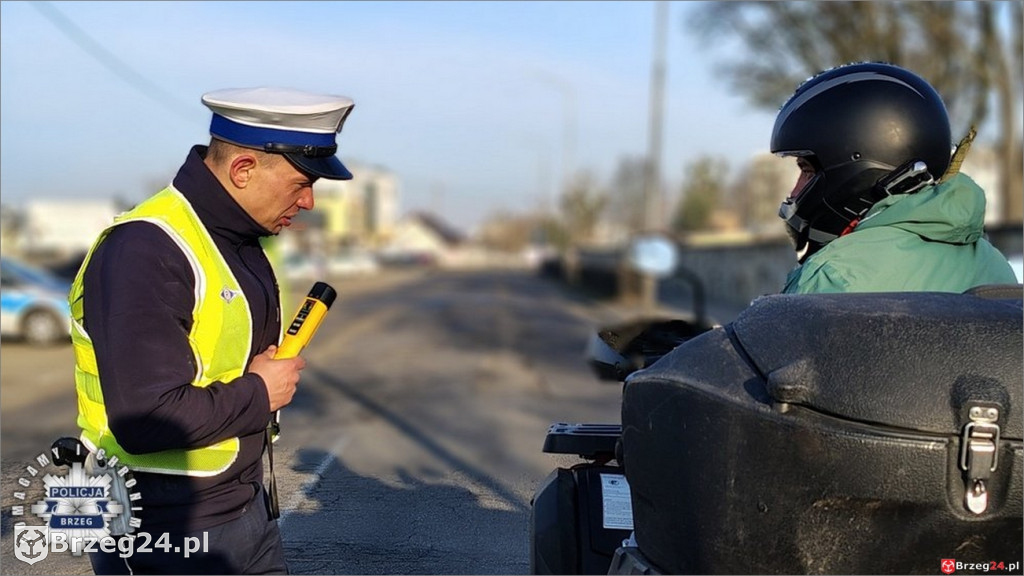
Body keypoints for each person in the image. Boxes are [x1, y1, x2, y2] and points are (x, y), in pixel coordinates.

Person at [69, 87, 356, 574]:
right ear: (243, 170)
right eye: (301, 182)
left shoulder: (240, 241)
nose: (309, 201)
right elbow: (143, 418)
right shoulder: (145, 249)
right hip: (160, 527)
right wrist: (260, 391)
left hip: (243, 508)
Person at [770, 61, 1017, 293]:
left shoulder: (833, 277)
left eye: (807, 170)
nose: (794, 192)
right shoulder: (995, 266)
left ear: (857, 170)